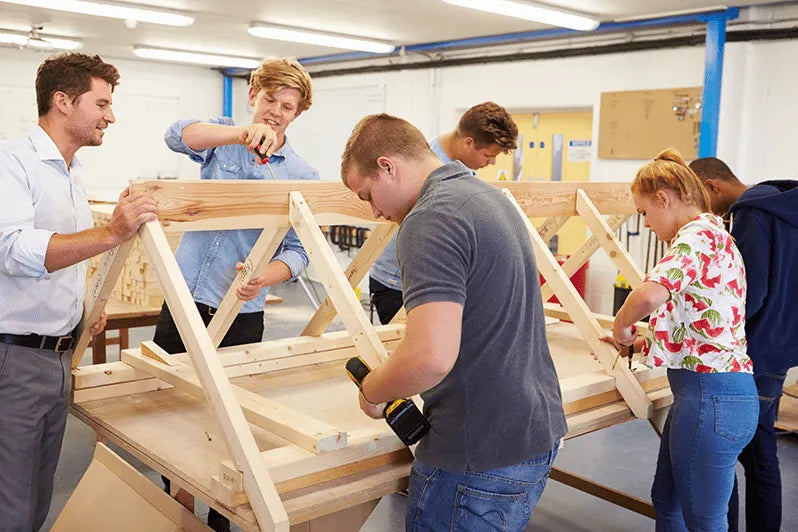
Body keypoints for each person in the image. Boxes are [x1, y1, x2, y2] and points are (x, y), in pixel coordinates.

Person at [341, 114, 566, 531]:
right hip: (534, 430)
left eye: (367, 193)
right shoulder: (488, 196)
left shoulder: (429, 218)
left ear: (388, 166)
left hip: (476, 452)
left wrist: (374, 390)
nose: (374, 211)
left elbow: (430, 358)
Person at [153, 56, 318, 532]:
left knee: (228, 423)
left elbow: (300, 251)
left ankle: (219, 517)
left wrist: (265, 276)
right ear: (252, 96)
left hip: (242, 311)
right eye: (269, 99)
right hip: (185, 300)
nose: (275, 111)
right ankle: (177, 509)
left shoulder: (301, 173)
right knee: (173, 410)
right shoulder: (219, 139)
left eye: (287, 106)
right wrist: (237, 135)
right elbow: (174, 134)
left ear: (298, 113)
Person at [0, 52, 157, 531]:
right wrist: (112, 233)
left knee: (38, 492)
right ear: (63, 101)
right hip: (17, 359)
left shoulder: (73, 172)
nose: (111, 116)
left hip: (60, 357)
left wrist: (81, 310)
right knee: (12, 504)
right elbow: (13, 248)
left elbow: (67, 257)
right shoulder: (12, 161)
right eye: (102, 103)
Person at [609, 150, 758, 531]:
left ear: (664, 198)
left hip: (711, 398)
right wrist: (645, 341)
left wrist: (622, 325)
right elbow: (702, 325)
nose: (645, 223)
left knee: (704, 520)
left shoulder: (696, 237)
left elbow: (648, 295)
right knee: (668, 500)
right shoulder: (715, 235)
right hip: (707, 395)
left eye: (644, 212)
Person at [690, 157, 798, 532]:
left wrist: (706, 328)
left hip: (753, 350)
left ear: (712, 186)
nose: (704, 210)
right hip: (782, 344)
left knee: (729, 451)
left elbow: (748, 294)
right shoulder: (783, 204)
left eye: (701, 198)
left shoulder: (751, 213)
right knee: (761, 452)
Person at [368, 102, 518, 324]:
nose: (492, 162)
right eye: (488, 155)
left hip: (433, 282)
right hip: (397, 284)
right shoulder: (425, 166)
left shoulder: (461, 170)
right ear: (468, 142)